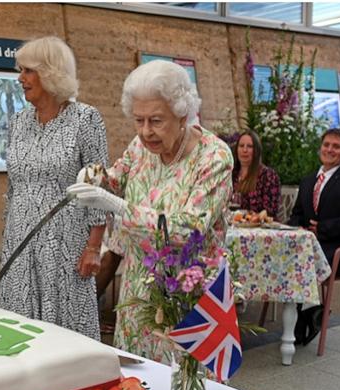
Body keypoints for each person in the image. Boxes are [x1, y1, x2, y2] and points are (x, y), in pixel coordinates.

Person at [67, 60, 233, 363]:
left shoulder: (214, 156)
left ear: (182, 114)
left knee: (184, 384)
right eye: (138, 120)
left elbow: (188, 229)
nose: (145, 132)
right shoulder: (141, 145)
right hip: (138, 287)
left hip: (187, 291)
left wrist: (116, 205)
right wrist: (93, 176)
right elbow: (116, 179)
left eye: (156, 120)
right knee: (138, 378)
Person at [0, 37, 108, 340]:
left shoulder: (86, 119)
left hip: (65, 244)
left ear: (51, 73)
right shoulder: (18, 121)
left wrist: (94, 247)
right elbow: (14, 184)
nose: (21, 79)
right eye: (21, 71)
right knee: (19, 331)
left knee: (65, 333)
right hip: (20, 240)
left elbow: (97, 186)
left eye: (28, 71)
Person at [289, 128, 340, 278]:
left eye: (336, 146)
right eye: (326, 145)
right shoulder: (308, 181)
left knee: (296, 261)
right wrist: (299, 228)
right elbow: (297, 214)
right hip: (312, 246)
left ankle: (307, 302)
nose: (329, 149)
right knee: (277, 253)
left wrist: (323, 228)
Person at [231, 130, 281, 217]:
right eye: (241, 146)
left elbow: (271, 210)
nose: (245, 150)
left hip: (259, 227)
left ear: (256, 151)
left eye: (250, 146)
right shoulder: (232, 174)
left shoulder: (268, 175)